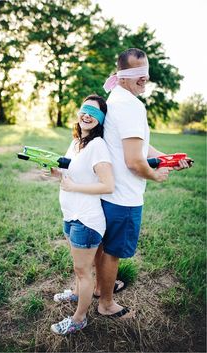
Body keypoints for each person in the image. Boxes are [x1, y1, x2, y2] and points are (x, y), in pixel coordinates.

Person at [94, 48, 191, 319]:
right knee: (113, 251)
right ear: (123, 75)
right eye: (138, 73)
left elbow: (138, 145)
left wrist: (166, 159)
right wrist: (156, 174)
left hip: (108, 191)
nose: (144, 78)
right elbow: (135, 162)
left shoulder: (115, 98)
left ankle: (102, 287)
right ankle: (106, 304)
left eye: (146, 72)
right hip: (124, 196)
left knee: (103, 246)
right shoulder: (132, 106)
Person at [50, 94, 114, 335]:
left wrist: (73, 187)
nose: (87, 115)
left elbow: (108, 185)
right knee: (79, 268)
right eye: (85, 109)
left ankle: (79, 318)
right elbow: (73, 173)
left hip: (86, 220)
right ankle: (76, 293)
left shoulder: (97, 146)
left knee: (82, 272)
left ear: (100, 120)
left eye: (94, 113)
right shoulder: (77, 141)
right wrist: (57, 174)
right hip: (71, 214)